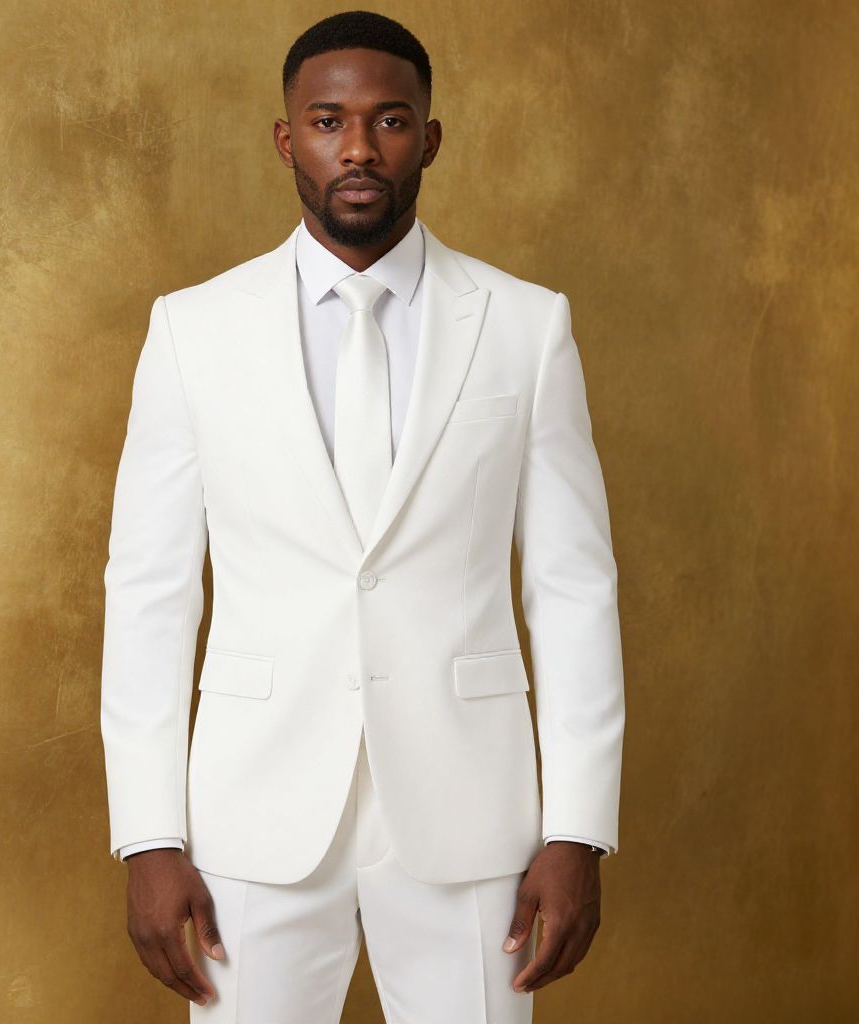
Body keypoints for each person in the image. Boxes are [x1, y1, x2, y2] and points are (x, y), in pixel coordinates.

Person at [100, 10, 625, 1023]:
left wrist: (578, 828)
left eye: (387, 121)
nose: (356, 146)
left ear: (426, 138)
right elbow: (150, 592)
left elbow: (570, 586)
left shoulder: (526, 326)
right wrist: (148, 835)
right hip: (253, 808)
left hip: (470, 810)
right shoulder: (192, 330)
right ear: (285, 138)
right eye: (326, 119)